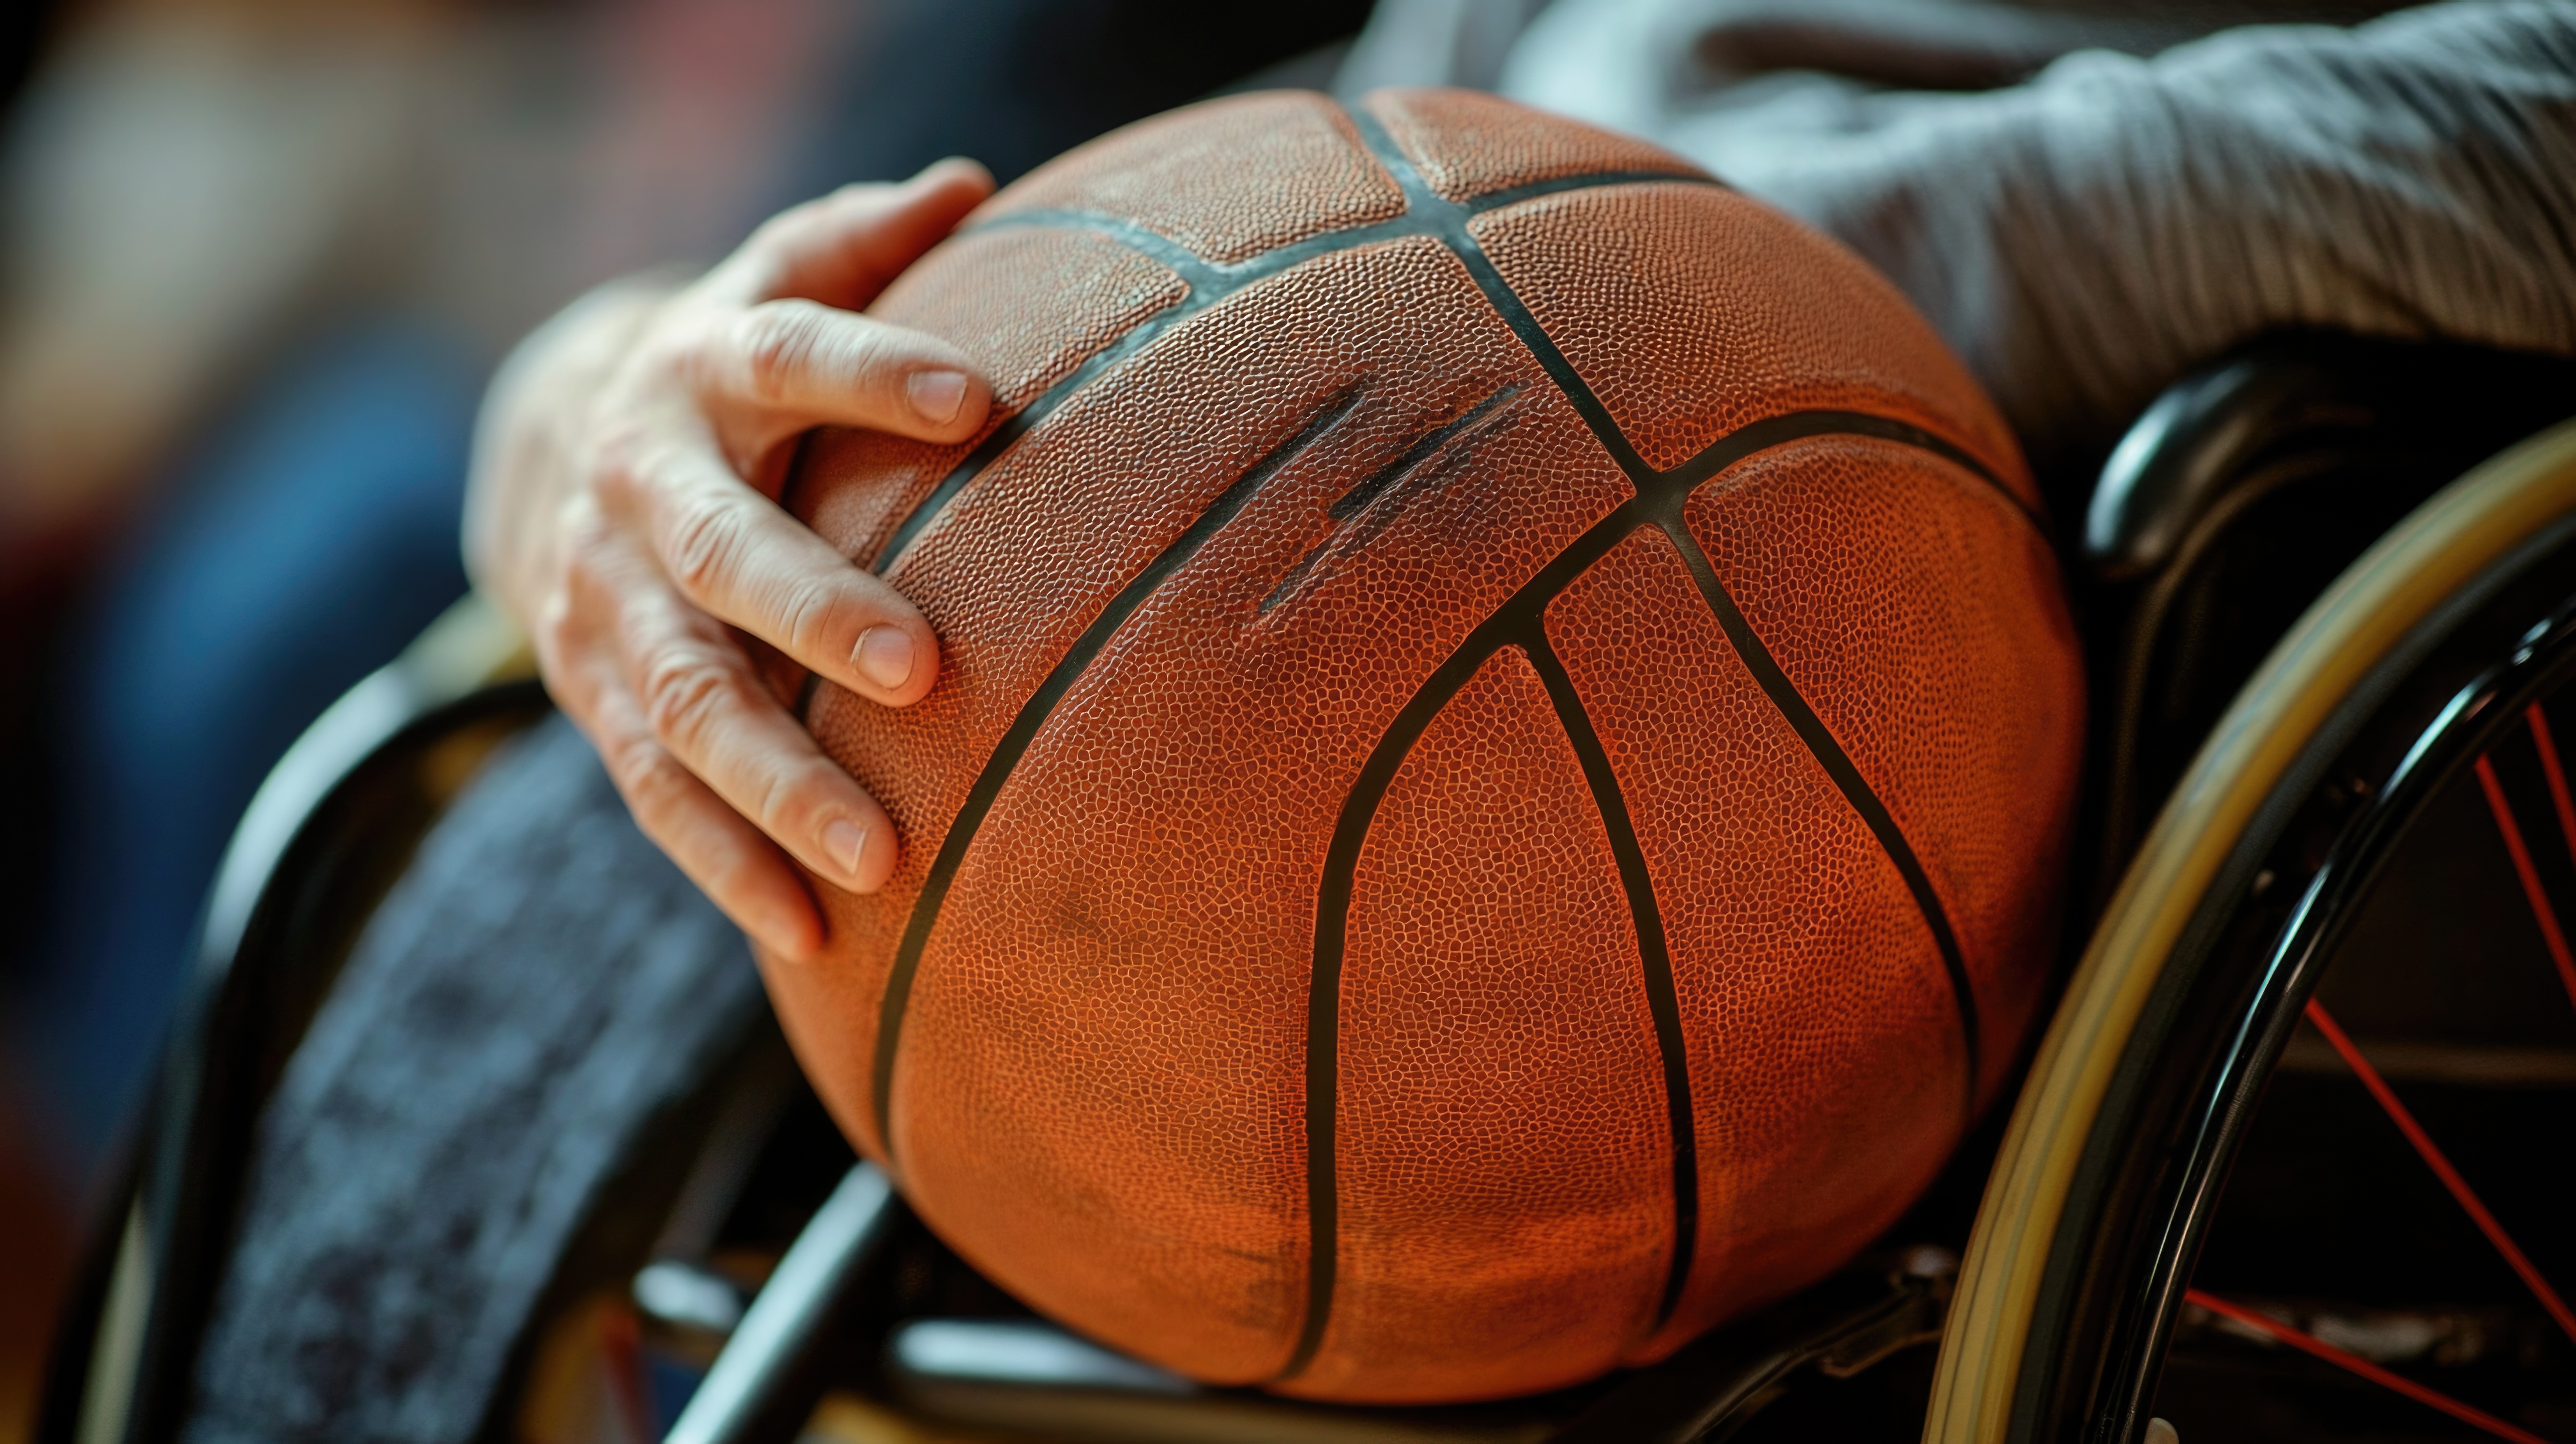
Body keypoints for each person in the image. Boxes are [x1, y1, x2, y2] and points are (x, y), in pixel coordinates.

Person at [161, 1, 2576, 1435]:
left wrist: (1651, 289)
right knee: (343, 659)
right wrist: (603, 397)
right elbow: (1305, 144)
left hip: (2126, 643)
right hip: (1368, 388)